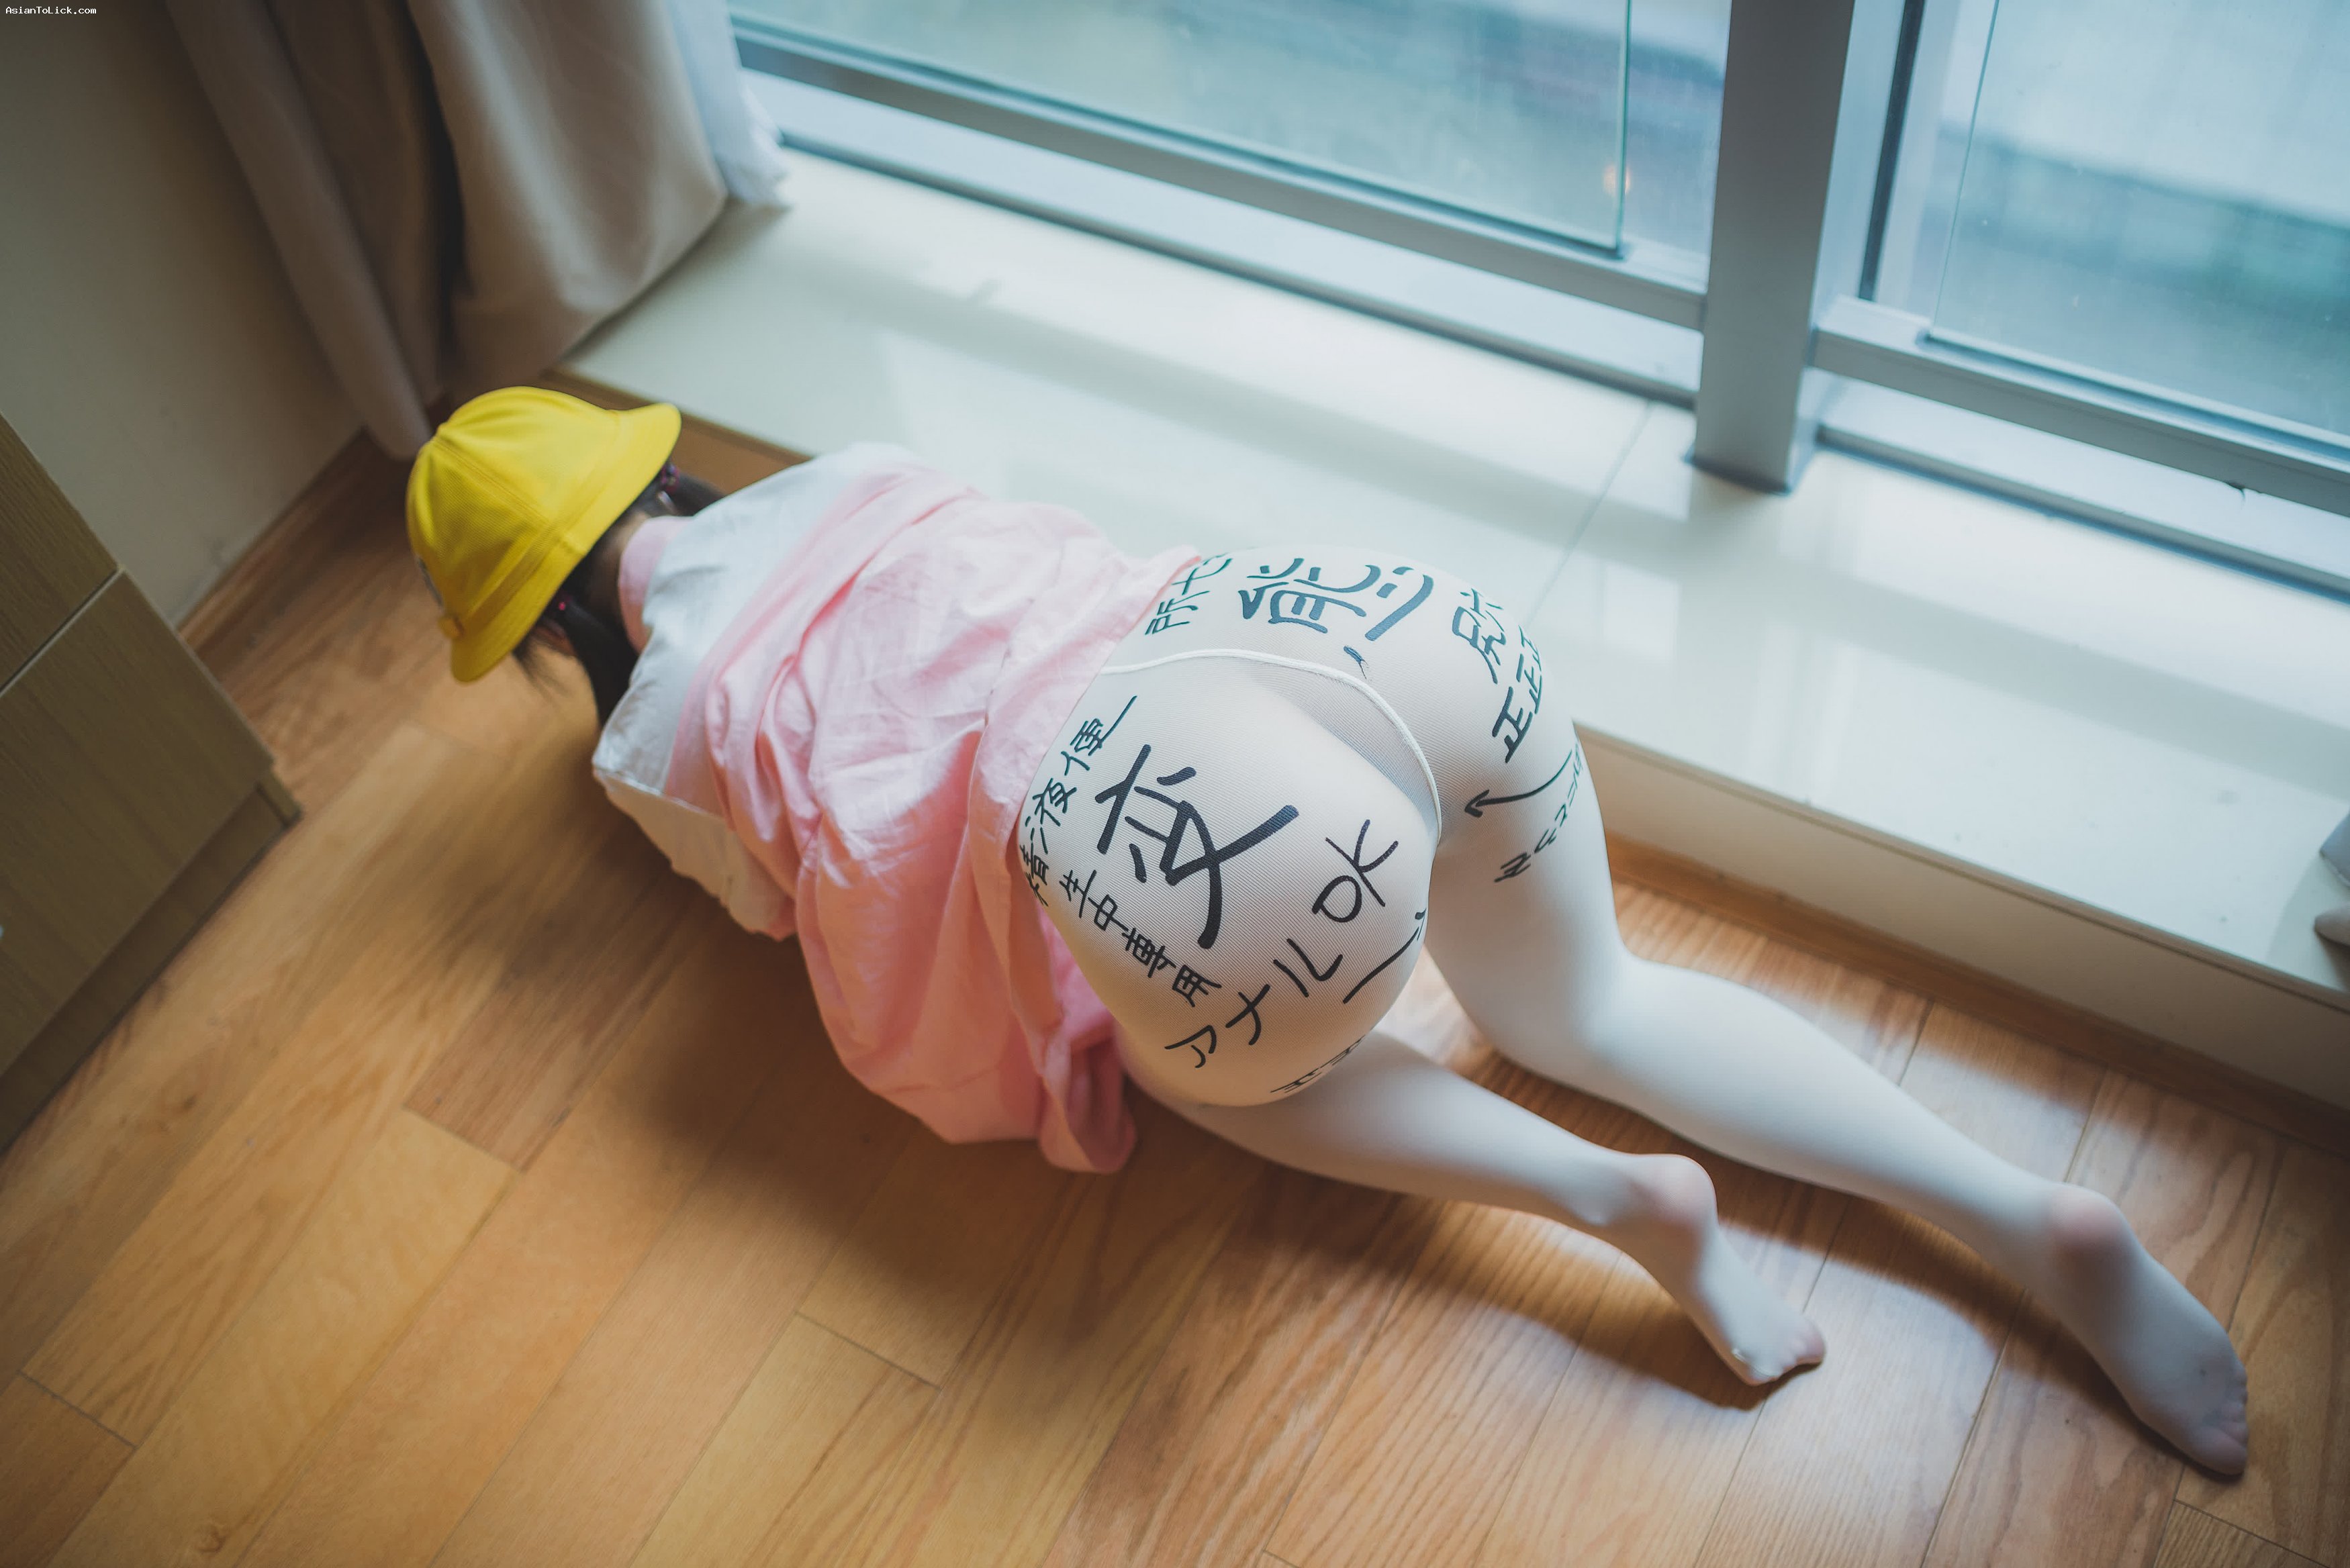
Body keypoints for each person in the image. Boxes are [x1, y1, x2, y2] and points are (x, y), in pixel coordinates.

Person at [407, 387, 2250, 1473]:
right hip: (1348, 628)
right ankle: (2033, 1217)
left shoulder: (652, 737)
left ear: (545, 630)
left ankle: (1619, 1201)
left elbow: (794, 908)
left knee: (1188, 1064)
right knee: (1595, 1005)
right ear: (653, 470)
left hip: (1177, 825)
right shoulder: (854, 473)